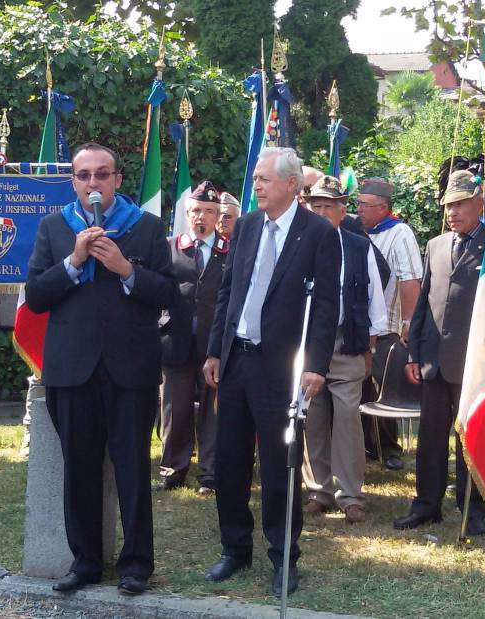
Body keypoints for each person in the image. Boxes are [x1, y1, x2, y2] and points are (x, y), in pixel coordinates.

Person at [25, 143, 174, 596]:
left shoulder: (146, 228)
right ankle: (86, 561)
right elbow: (35, 297)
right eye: (84, 175)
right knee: (81, 470)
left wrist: (126, 269)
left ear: (116, 181)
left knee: (131, 468)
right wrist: (73, 262)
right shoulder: (54, 228)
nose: (93, 183)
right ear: (74, 181)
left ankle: (135, 565)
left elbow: (169, 294)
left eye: (102, 175)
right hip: (72, 370)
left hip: (131, 369)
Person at [202, 147, 339, 596]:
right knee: (229, 460)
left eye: (263, 178)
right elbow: (228, 293)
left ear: (291, 185)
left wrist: (316, 364)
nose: (255, 185)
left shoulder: (318, 233)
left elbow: (325, 307)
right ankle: (233, 548)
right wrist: (215, 351)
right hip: (237, 359)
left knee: (279, 464)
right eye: (255, 178)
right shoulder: (244, 226)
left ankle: (283, 557)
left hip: (281, 367)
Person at [394, 170, 485, 536]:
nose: (452, 211)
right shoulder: (435, 245)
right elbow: (422, 307)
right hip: (433, 360)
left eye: (461, 203)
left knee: (470, 438)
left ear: (479, 204)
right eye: (449, 205)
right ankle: (426, 504)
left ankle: (472, 507)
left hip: (473, 361)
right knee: (431, 437)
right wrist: (414, 354)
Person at [301, 175, 387, 524]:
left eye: (328, 207)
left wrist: (372, 342)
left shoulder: (359, 245)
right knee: (313, 416)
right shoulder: (298, 244)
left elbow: (374, 297)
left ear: (341, 211)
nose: (321, 212)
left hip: (347, 339)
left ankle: (350, 494)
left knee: (348, 417)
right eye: (315, 206)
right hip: (308, 344)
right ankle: (318, 490)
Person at [155, 181, 230, 495]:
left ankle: (211, 474)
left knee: (214, 411)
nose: (202, 217)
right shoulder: (169, 247)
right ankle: (173, 470)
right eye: (197, 210)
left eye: (210, 212)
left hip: (215, 345)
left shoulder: (230, 250)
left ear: (217, 217)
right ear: (187, 213)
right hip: (177, 340)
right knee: (176, 408)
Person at [356, 178, 423, 470]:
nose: (358, 210)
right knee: (358, 388)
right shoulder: (356, 231)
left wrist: (409, 322)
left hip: (389, 328)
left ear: (384, 207)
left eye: (364, 205)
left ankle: (389, 448)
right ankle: (364, 445)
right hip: (361, 326)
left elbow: (410, 280)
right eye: (357, 204)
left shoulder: (400, 233)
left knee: (385, 388)